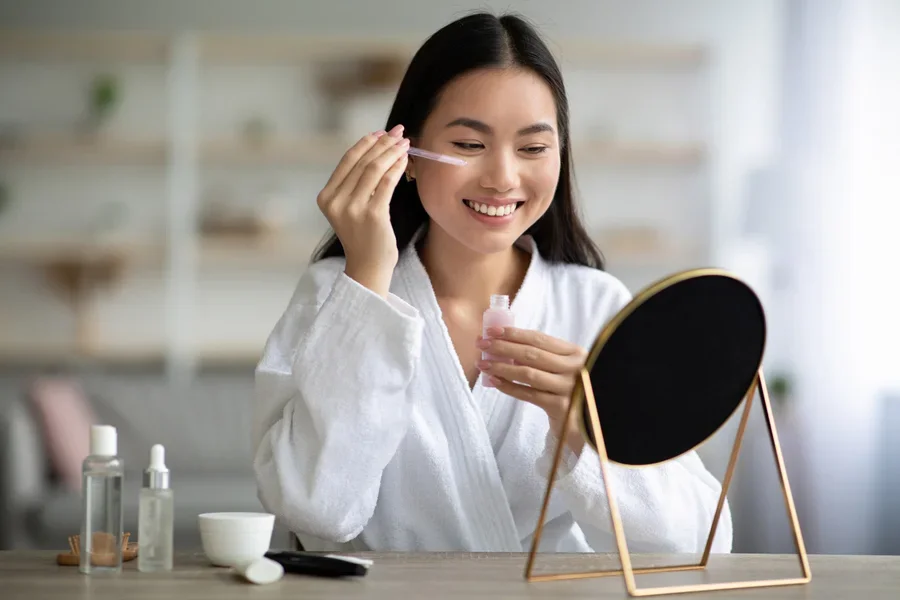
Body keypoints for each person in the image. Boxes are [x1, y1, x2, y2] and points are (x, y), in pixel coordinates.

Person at [252, 11, 732, 554]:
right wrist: (366, 281)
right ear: (406, 155)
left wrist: (583, 433)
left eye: (532, 148)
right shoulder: (332, 294)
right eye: (469, 145)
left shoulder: (597, 306)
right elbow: (316, 512)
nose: (503, 177)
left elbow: (696, 541)